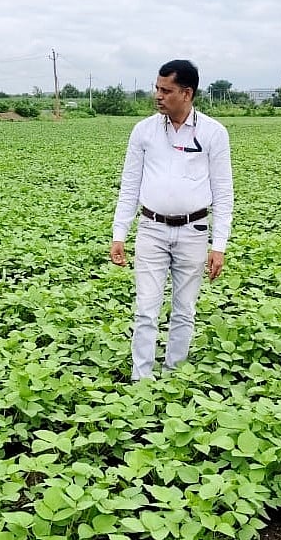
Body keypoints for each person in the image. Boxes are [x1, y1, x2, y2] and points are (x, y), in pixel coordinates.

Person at [110, 59, 234, 381]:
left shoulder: (213, 133)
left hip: (194, 231)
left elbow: (223, 192)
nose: (158, 95)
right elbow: (130, 185)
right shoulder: (143, 131)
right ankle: (141, 378)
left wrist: (218, 245)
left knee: (184, 310)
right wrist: (119, 233)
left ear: (187, 93)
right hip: (151, 229)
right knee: (146, 309)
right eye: (157, 88)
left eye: (166, 90)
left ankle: (174, 375)